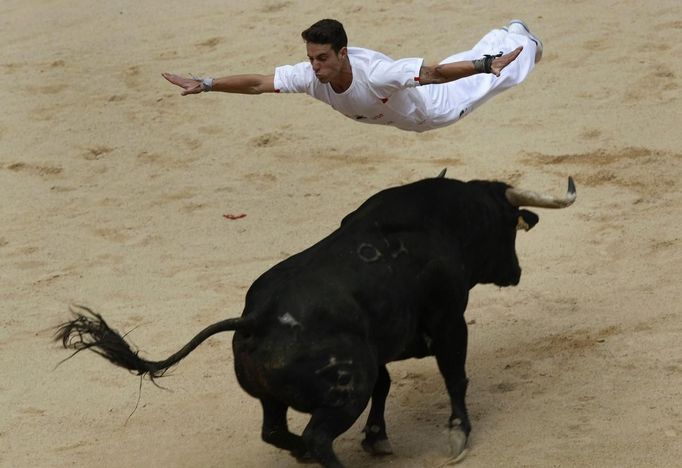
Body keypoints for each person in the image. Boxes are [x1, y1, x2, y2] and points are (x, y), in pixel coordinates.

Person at [162, 19, 542, 133]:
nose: (315, 66)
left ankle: (526, 43)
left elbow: (435, 73)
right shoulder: (311, 77)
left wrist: (483, 65)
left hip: (431, 110)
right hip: (400, 115)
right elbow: (259, 83)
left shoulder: (376, 75)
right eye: (310, 58)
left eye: (322, 58)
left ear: (343, 53)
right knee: (476, 61)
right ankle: (505, 36)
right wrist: (209, 83)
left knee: (492, 80)